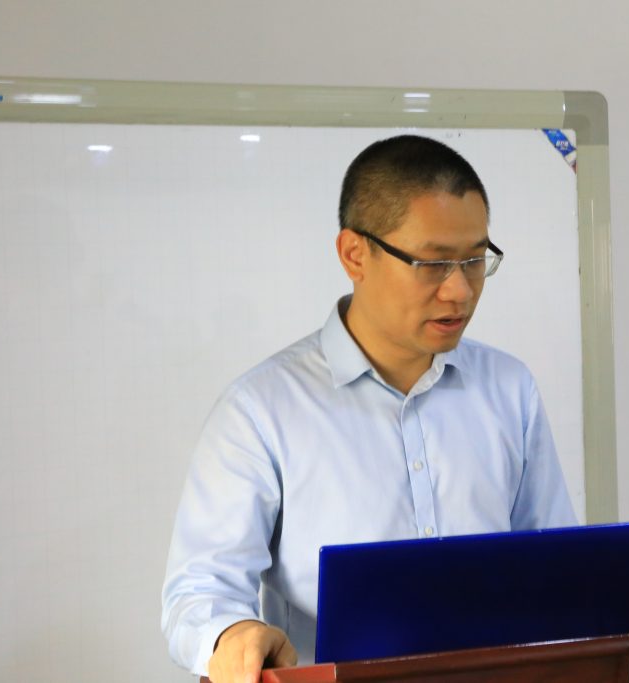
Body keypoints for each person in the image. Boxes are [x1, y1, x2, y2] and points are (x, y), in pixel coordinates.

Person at [161, 134, 576, 683]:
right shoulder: (261, 410)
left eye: (475, 259)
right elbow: (198, 592)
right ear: (355, 254)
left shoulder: (509, 388)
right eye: (433, 263)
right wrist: (232, 633)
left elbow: (558, 573)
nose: (460, 290)